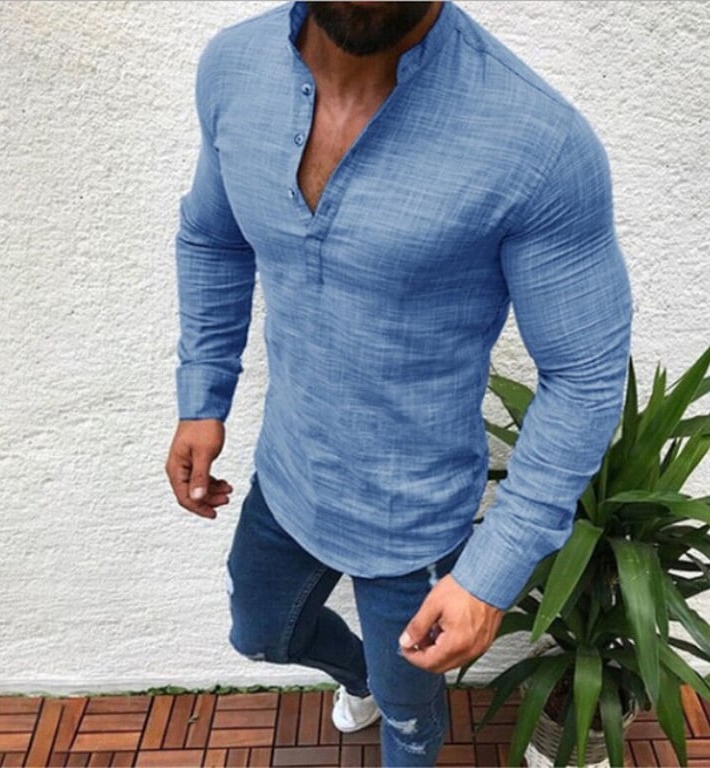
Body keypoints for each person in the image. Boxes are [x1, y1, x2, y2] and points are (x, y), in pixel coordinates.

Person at [165, 2, 632, 765]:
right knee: (260, 633)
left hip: (414, 521)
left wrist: (489, 574)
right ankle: (364, 678)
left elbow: (584, 376)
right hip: (288, 476)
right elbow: (212, 238)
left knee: (411, 725)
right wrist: (203, 396)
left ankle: (396, 700)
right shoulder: (234, 67)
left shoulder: (538, 141)